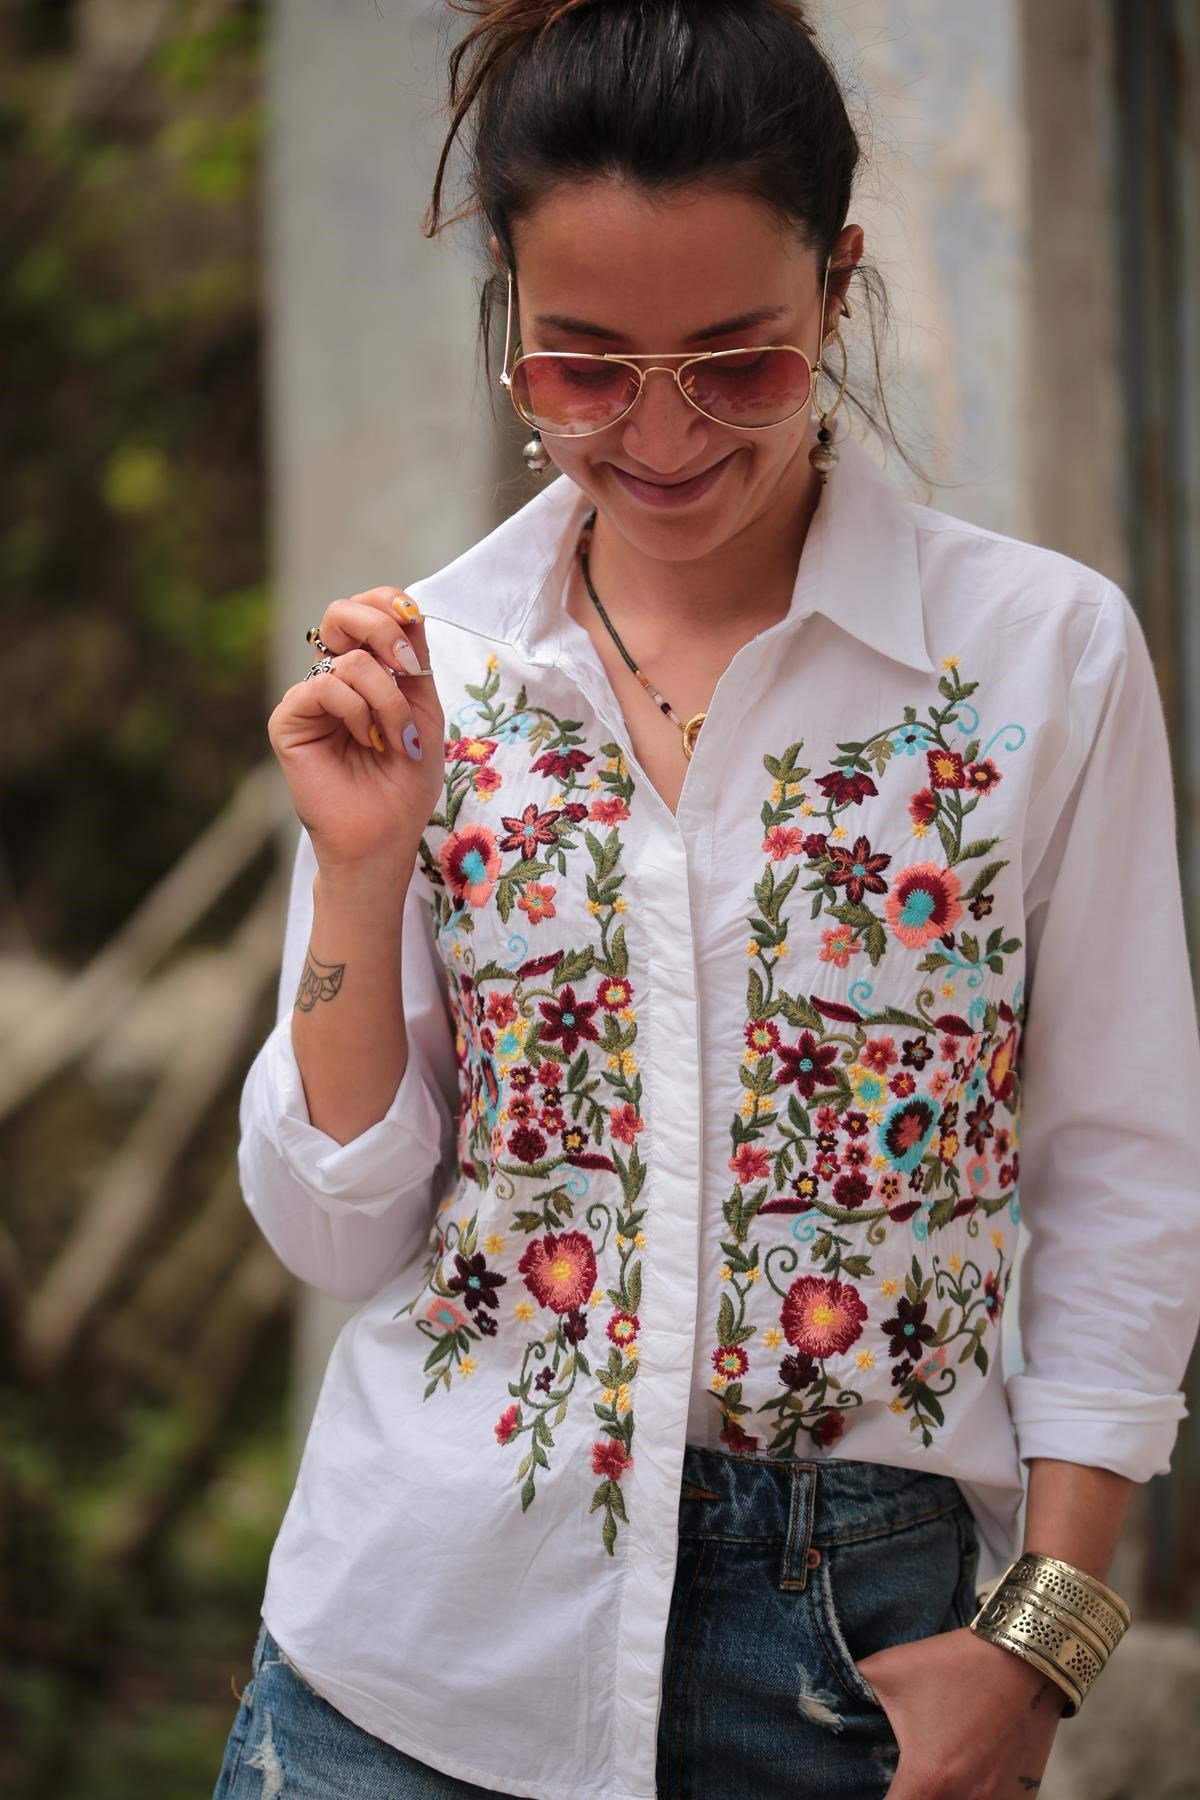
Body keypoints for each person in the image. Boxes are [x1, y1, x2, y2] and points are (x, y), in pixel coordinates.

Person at [213, 3, 1200, 1796]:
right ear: (509, 316)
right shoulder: (434, 676)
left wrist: (1044, 1649)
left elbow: (1124, 1171)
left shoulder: (1040, 662)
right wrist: (361, 867)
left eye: (733, 360)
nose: (659, 432)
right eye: (584, 366)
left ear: (835, 286)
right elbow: (337, 1236)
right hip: (405, 1673)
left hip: (856, 1665)